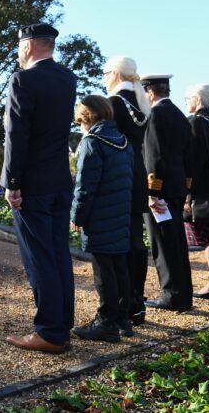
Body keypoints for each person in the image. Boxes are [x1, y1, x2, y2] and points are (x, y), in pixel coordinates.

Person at [2, 23, 77, 354]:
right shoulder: (67, 79)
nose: (18, 52)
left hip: (33, 183)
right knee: (59, 254)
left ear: (29, 46)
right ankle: (62, 324)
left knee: (40, 257)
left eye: (20, 46)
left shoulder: (23, 79)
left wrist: (12, 182)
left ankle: (49, 330)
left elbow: (16, 134)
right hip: (61, 179)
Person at [71, 96, 134, 342]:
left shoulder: (92, 142)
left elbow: (85, 185)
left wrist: (77, 215)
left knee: (103, 271)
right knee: (119, 267)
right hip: (119, 213)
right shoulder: (123, 141)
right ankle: (122, 318)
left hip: (99, 216)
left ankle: (106, 322)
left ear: (86, 118)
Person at [103, 57, 151, 325]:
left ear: (117, 73)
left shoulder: (113, 104)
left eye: (106, 72)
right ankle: (136, 303)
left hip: (119, 177)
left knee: (121, 244)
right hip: (138, 175)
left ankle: (122, 305)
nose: (104, 76)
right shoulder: (139, 103)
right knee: (136, 242)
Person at [141, 74, 193, 311]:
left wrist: (153, 192)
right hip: (177, 187)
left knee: (163, 243)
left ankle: (172, 295)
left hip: (160, 190)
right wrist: (187, 187)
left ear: (150, 91)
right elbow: (189, 156)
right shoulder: (180, 115)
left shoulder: (155, 115)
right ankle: (183, 294)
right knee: (177, 242)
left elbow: (154, 156)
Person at [183, 84, 209, 300]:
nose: (186, 102)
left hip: (204, 191)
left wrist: (187, 190)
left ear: (197, 99)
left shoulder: (197, 122)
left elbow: (193, 161)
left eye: (187, 98)